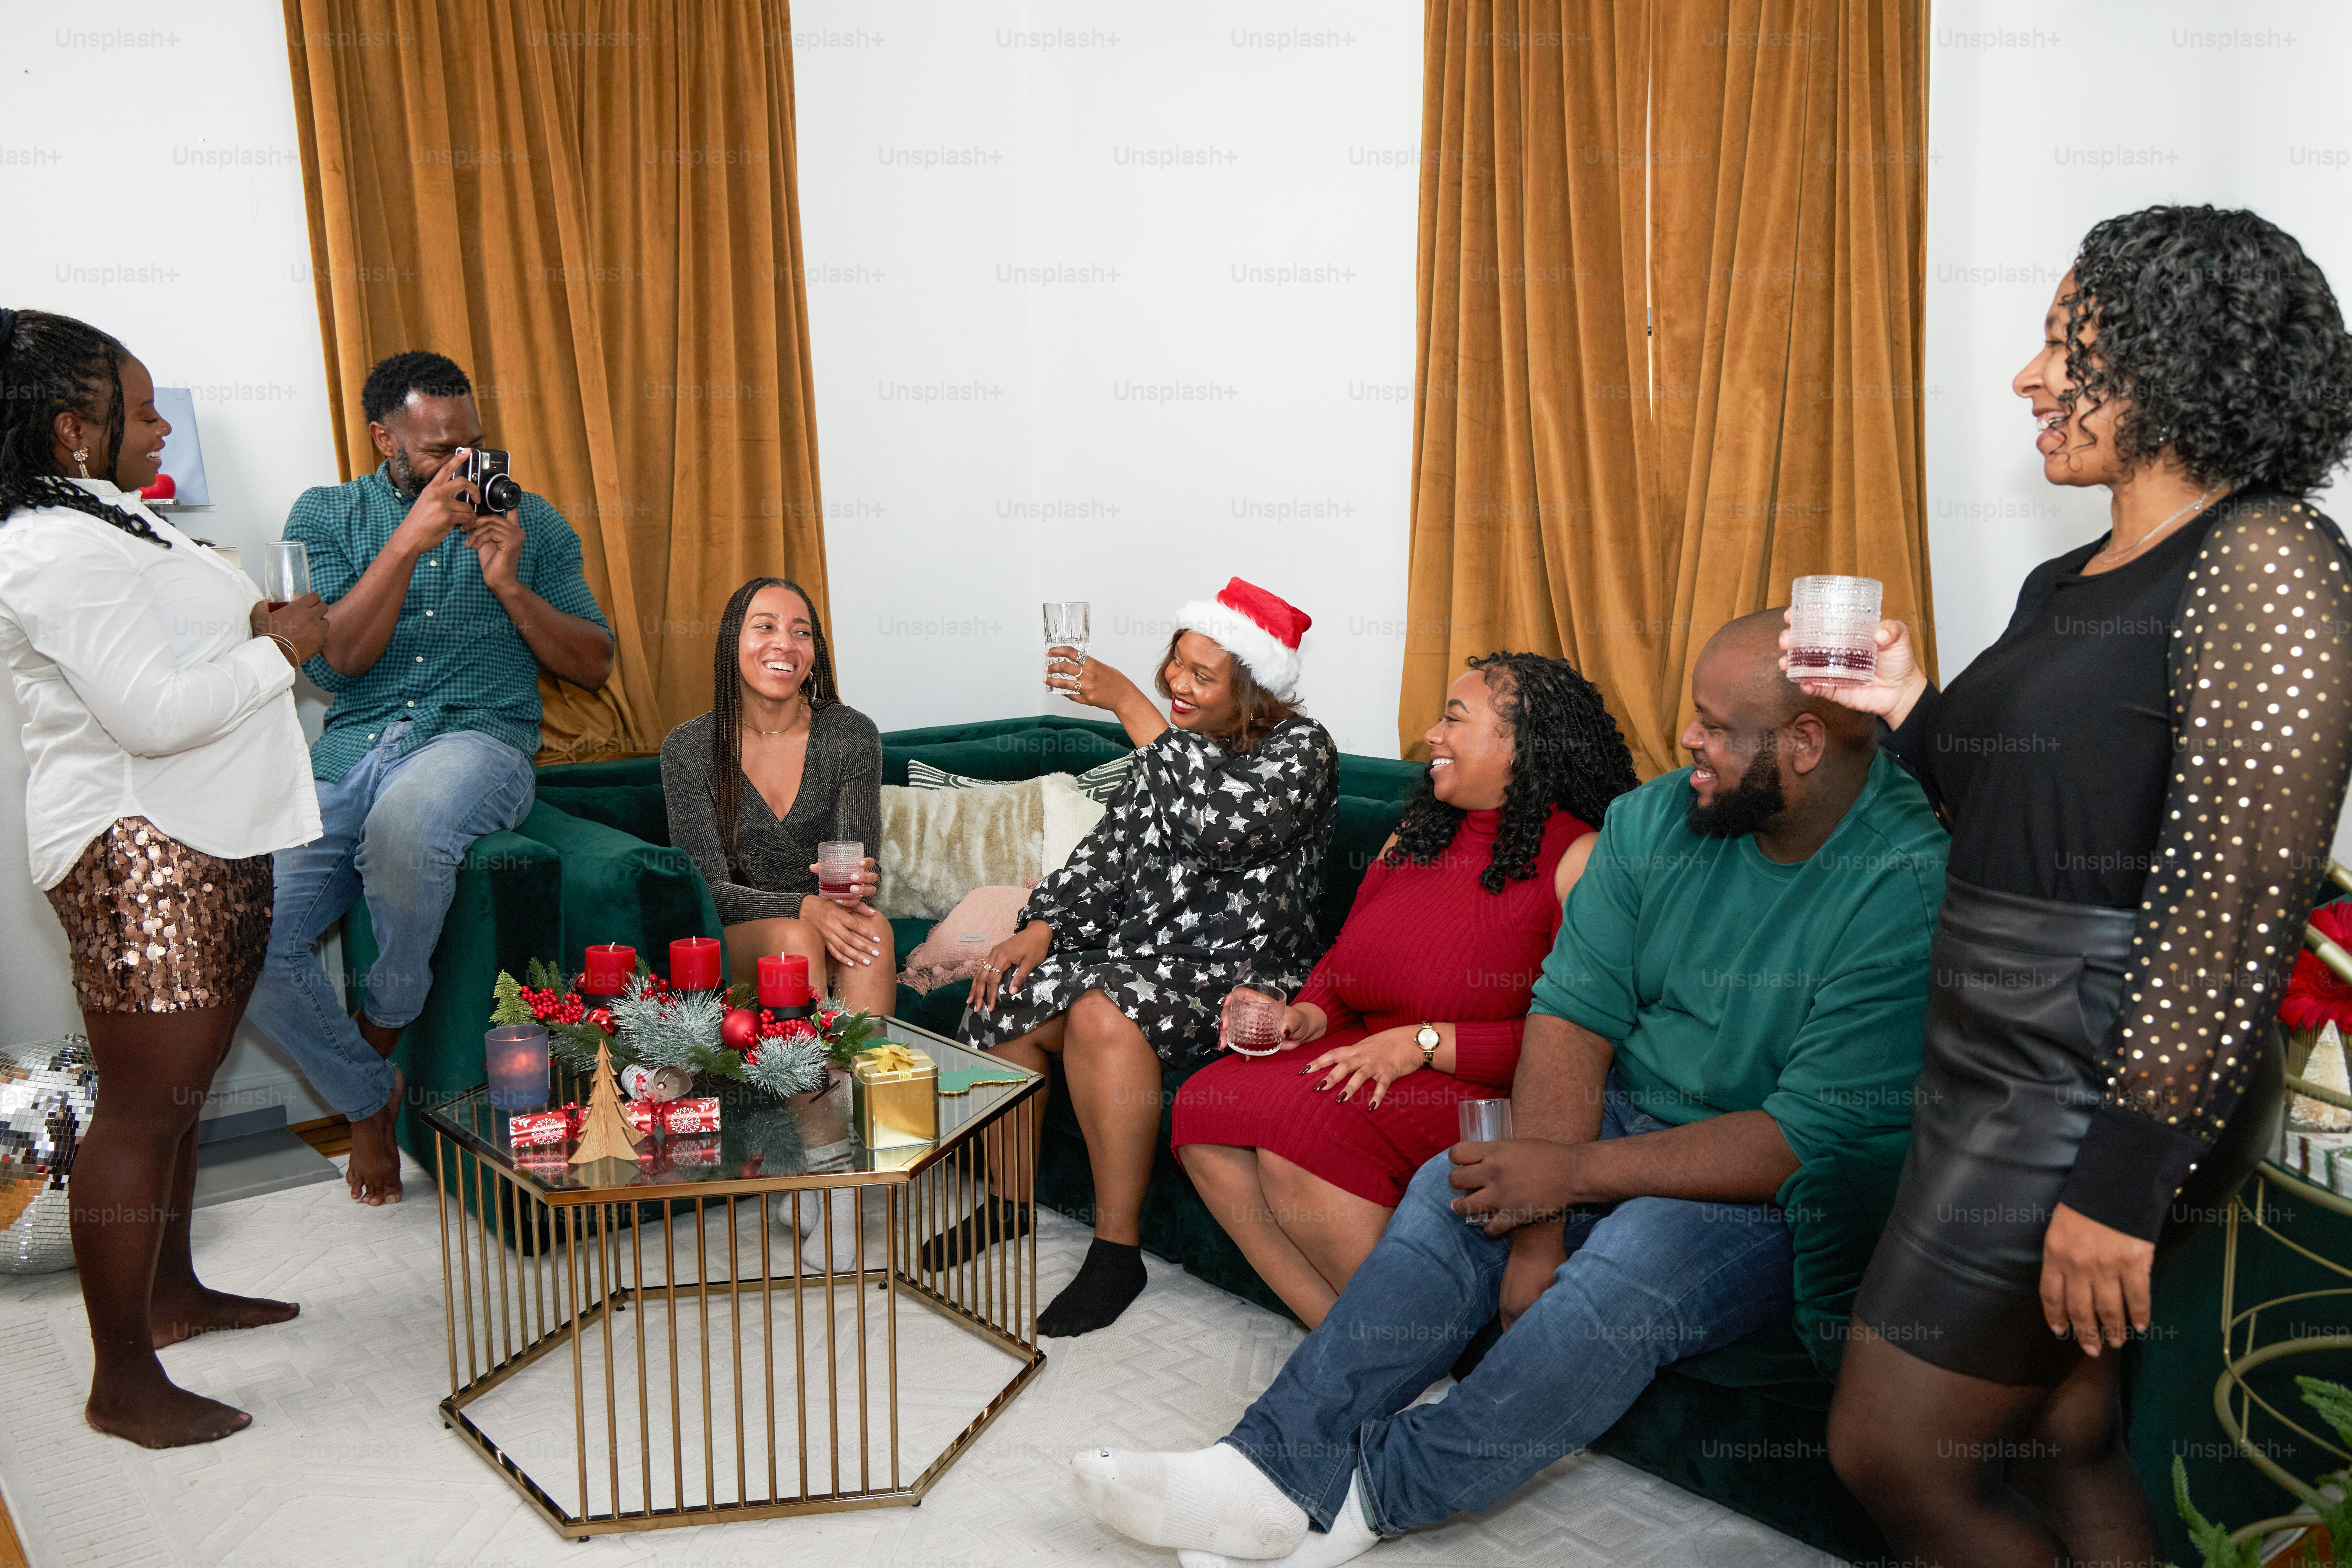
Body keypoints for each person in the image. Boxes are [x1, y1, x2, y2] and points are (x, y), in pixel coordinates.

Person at [1067, 612, 1948, 1567]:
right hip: (1627, 1109)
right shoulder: (1658, 818)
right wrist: (1536, 1227)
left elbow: (1800, 1137)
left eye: (1713, 724)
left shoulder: (1903, 873)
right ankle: (1268, 1467)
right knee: (1458, 1181)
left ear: (1806, 744)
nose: (1688, 739)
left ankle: (1371, 1495)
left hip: (1767, 1175)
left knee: (1620, 1277)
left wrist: (1572, 1176)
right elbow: (1574, 1016)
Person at [1813, 206, 2352, 1568]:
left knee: (1893, 1449)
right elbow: (2030, 810)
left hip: (2102, 1066)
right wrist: (1913, 709)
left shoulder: (2269, 560)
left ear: (2177, 359)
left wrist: (2120, 1181)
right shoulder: (2072, 573)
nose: (2028, 379)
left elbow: (2235, 898)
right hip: (1991, 1047)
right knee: (2061, 1435)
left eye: (2068, 343)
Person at [0, 308, 328, 1447]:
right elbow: (148, 715)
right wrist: (280, 649)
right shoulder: (45, 545)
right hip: (140, 848)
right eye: (138, 410)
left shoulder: (112, 519)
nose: (159, 428)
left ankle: (175, 1298)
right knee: (142, 1112)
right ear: (71, 425)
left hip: (214, 836)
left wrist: (253, 624)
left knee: (179, 1104)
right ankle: (121, 1381)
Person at [1170, 652, 1637, 1325]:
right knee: (1206, 1104)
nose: (1431, 735)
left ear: (1522, 743)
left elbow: (1582, 1046)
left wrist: (1421, 1044)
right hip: (1374, 1049)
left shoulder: (1578, 859)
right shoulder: (1415, 835)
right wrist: (1303, 1014)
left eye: (1454, 719)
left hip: (1490, 1082)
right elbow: (1345, 962)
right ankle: (1343, 1342)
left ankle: (1398, 1341)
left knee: (1299, 1137)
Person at [247, 351, 614, 1206]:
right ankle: (370, 1095)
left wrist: (511, 587)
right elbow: (336, 665)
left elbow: (594, 666)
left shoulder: (535, 523)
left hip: (478, 741)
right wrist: (410, 540)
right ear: (385, 438)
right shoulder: (330, 513)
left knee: (406, 828)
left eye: (474, 443)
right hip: (350, 750)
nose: (462, 464)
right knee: (251, 938)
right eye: (436, 447)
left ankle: (382, 1022)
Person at [934, 576, 1339, 1337]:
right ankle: (1009, 1201)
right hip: (1141, 955)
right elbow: (1106, 854)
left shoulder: (1302, 751)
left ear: (1250, 691)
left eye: (1202, 675)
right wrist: (1042, 926)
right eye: (1175, 665)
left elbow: (1223, 823)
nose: (1178, 684)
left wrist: (1131, 704)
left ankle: (1117, 1251)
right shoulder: (1168, 754)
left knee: (1100, 1010)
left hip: (1231, 973)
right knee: (1005, 986)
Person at [661, 576, 893, 1016]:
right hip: (739, 930)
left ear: (814, 652)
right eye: (765, 627)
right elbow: (708, 891)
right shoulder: (690, 748)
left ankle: (864, 1080)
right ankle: (810, 1085)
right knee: (796, 939)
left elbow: (862, 863)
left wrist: (863, 879)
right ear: (734, 641)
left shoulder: (850, 734)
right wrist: (804, 909)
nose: (785, 644)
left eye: (801, 632)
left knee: (874, 927)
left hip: (826, 920)